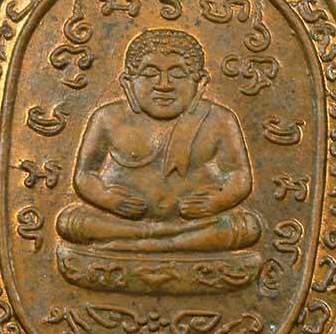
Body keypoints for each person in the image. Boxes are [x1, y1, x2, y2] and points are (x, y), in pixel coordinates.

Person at [56, 29, 261, 252]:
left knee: (247, 226)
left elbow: (239, 175)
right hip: (125, 222)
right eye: (150, 74)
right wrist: (109, 200)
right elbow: (85, 175)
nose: (164, 85)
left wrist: (216, 202)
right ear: (128, 82)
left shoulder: (219, 119)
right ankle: (166, 242)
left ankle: (141, 244)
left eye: (178, 74)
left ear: (200, 82)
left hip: (197, 222)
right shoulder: (107, 118)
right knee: (69, 222)